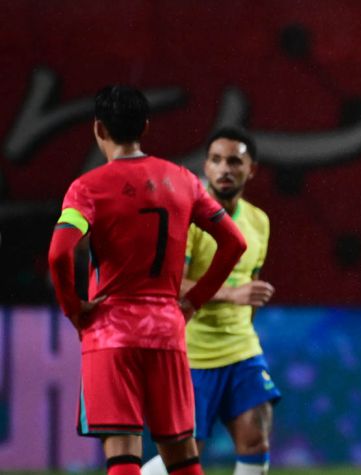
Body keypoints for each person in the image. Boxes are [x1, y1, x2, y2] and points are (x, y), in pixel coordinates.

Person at [48, 85, 247, 475]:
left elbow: (58, 253)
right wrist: (194, 301)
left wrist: (74, 309)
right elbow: (234, 243)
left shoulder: (86, 189)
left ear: (99, 129)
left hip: (110, 333)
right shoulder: (184, 181)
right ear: (145, 127)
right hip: (166, 331)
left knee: (123, 453)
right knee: (182, 456)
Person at [142, 127, 280, 475]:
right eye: (216, 160)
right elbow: (171, 284)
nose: (224, 169)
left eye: (234, 161)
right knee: (185, 454)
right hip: (192, 353)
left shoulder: (259, 221)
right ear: (205, 166)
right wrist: (232, 294)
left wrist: (245, 309)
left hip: (241, 349)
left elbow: (251, 283)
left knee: (256, 439)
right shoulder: (187, 217)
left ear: (251, 169)